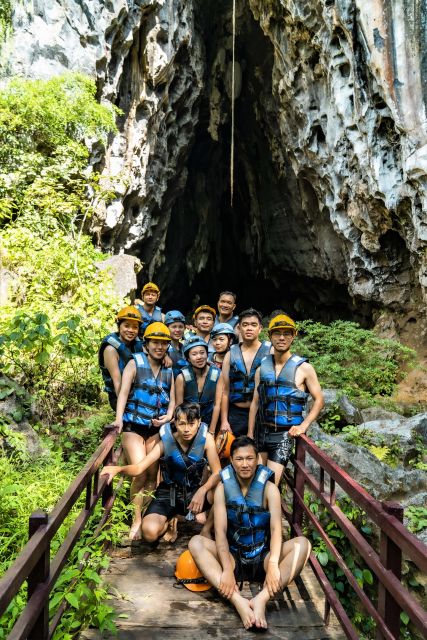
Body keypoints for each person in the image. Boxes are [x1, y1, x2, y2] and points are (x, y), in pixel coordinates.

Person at [189, 436, 311, 631]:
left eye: (249, 458)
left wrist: (273, 565)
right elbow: (219, 532)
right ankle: (238, 601)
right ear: (232, 461)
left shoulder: (270, 489)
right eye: (239, 459)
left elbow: (275, 529)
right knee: (196, 543)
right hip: (234, 556)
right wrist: (227, 568)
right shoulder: (222, 489)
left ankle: (261, 599)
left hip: (262, 556)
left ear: (257, 460)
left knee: (303, 544)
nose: (245, 464)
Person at [101, 402, 221, 543]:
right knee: (149, 534)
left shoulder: (207, 440)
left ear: (199, 422)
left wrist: (203, 490)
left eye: (191, 423)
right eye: (182, 424)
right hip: (168, 494)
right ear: (175, 423)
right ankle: (170, 521)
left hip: (194, 492)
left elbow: (217, 472)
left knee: (221, 490)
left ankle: (206, 529)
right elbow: (140, 467)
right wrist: (118, 469)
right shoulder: (166, 442)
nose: (187, 429)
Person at [112, 321, 175, 541]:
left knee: (152, 476)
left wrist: (168, 416)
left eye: (163, 343)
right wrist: (118, 419)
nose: (159, 346)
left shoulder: (169, 368)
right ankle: (136, 520)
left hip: (155, 428)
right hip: (133, 425)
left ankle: (148, 515)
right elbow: (123, 392)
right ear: (146, 344)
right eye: (155, 342)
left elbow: (173, 401)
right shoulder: (134, 363)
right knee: (139, 472)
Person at [248, 314, 324, 485]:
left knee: (269, 484)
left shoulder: (304, 368)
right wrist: (250, 434)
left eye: (287, 333)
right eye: (277, 333)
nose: (282, 337)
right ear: (270, 336)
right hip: (261, 432)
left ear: (293, 336)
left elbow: (319, 400)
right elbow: (255, 401)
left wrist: (303, 426)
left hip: (284, 434)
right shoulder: (262, 368)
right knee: (254, 483)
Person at [220, 309, 270, 437]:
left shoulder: (270, 351)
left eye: (253, 325)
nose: (249, 328)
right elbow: (225, 391)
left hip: (262, 413)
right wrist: (224, 421)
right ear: (239, 328)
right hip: (236, 413)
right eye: (245, 324)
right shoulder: (230, 354)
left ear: (260, 328)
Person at [98, 306, 144, 410]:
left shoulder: (137, 345)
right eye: (126, 326)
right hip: (119, 396)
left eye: (135, 327)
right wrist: (126, 410)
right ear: (119, 326)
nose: (131, 330)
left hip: (136, 392)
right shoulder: (111, 350)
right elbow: (117, 383)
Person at [175, 336, 222, 435]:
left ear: (207, 354)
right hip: (189, 424)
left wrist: (211, 431)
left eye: (202, 352)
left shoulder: (217, 374)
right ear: (188, 358)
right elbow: (179, 407)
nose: (199, 357)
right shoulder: (181, 377)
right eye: (194, 354)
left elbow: (217, 405)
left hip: (210, 422)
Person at [164, 310, 187, 379]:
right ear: (166, 328)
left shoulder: (184, 347)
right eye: (174, 327)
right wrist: (164, 355)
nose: (177, 330)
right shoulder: (162, 347)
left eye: (180, 327)